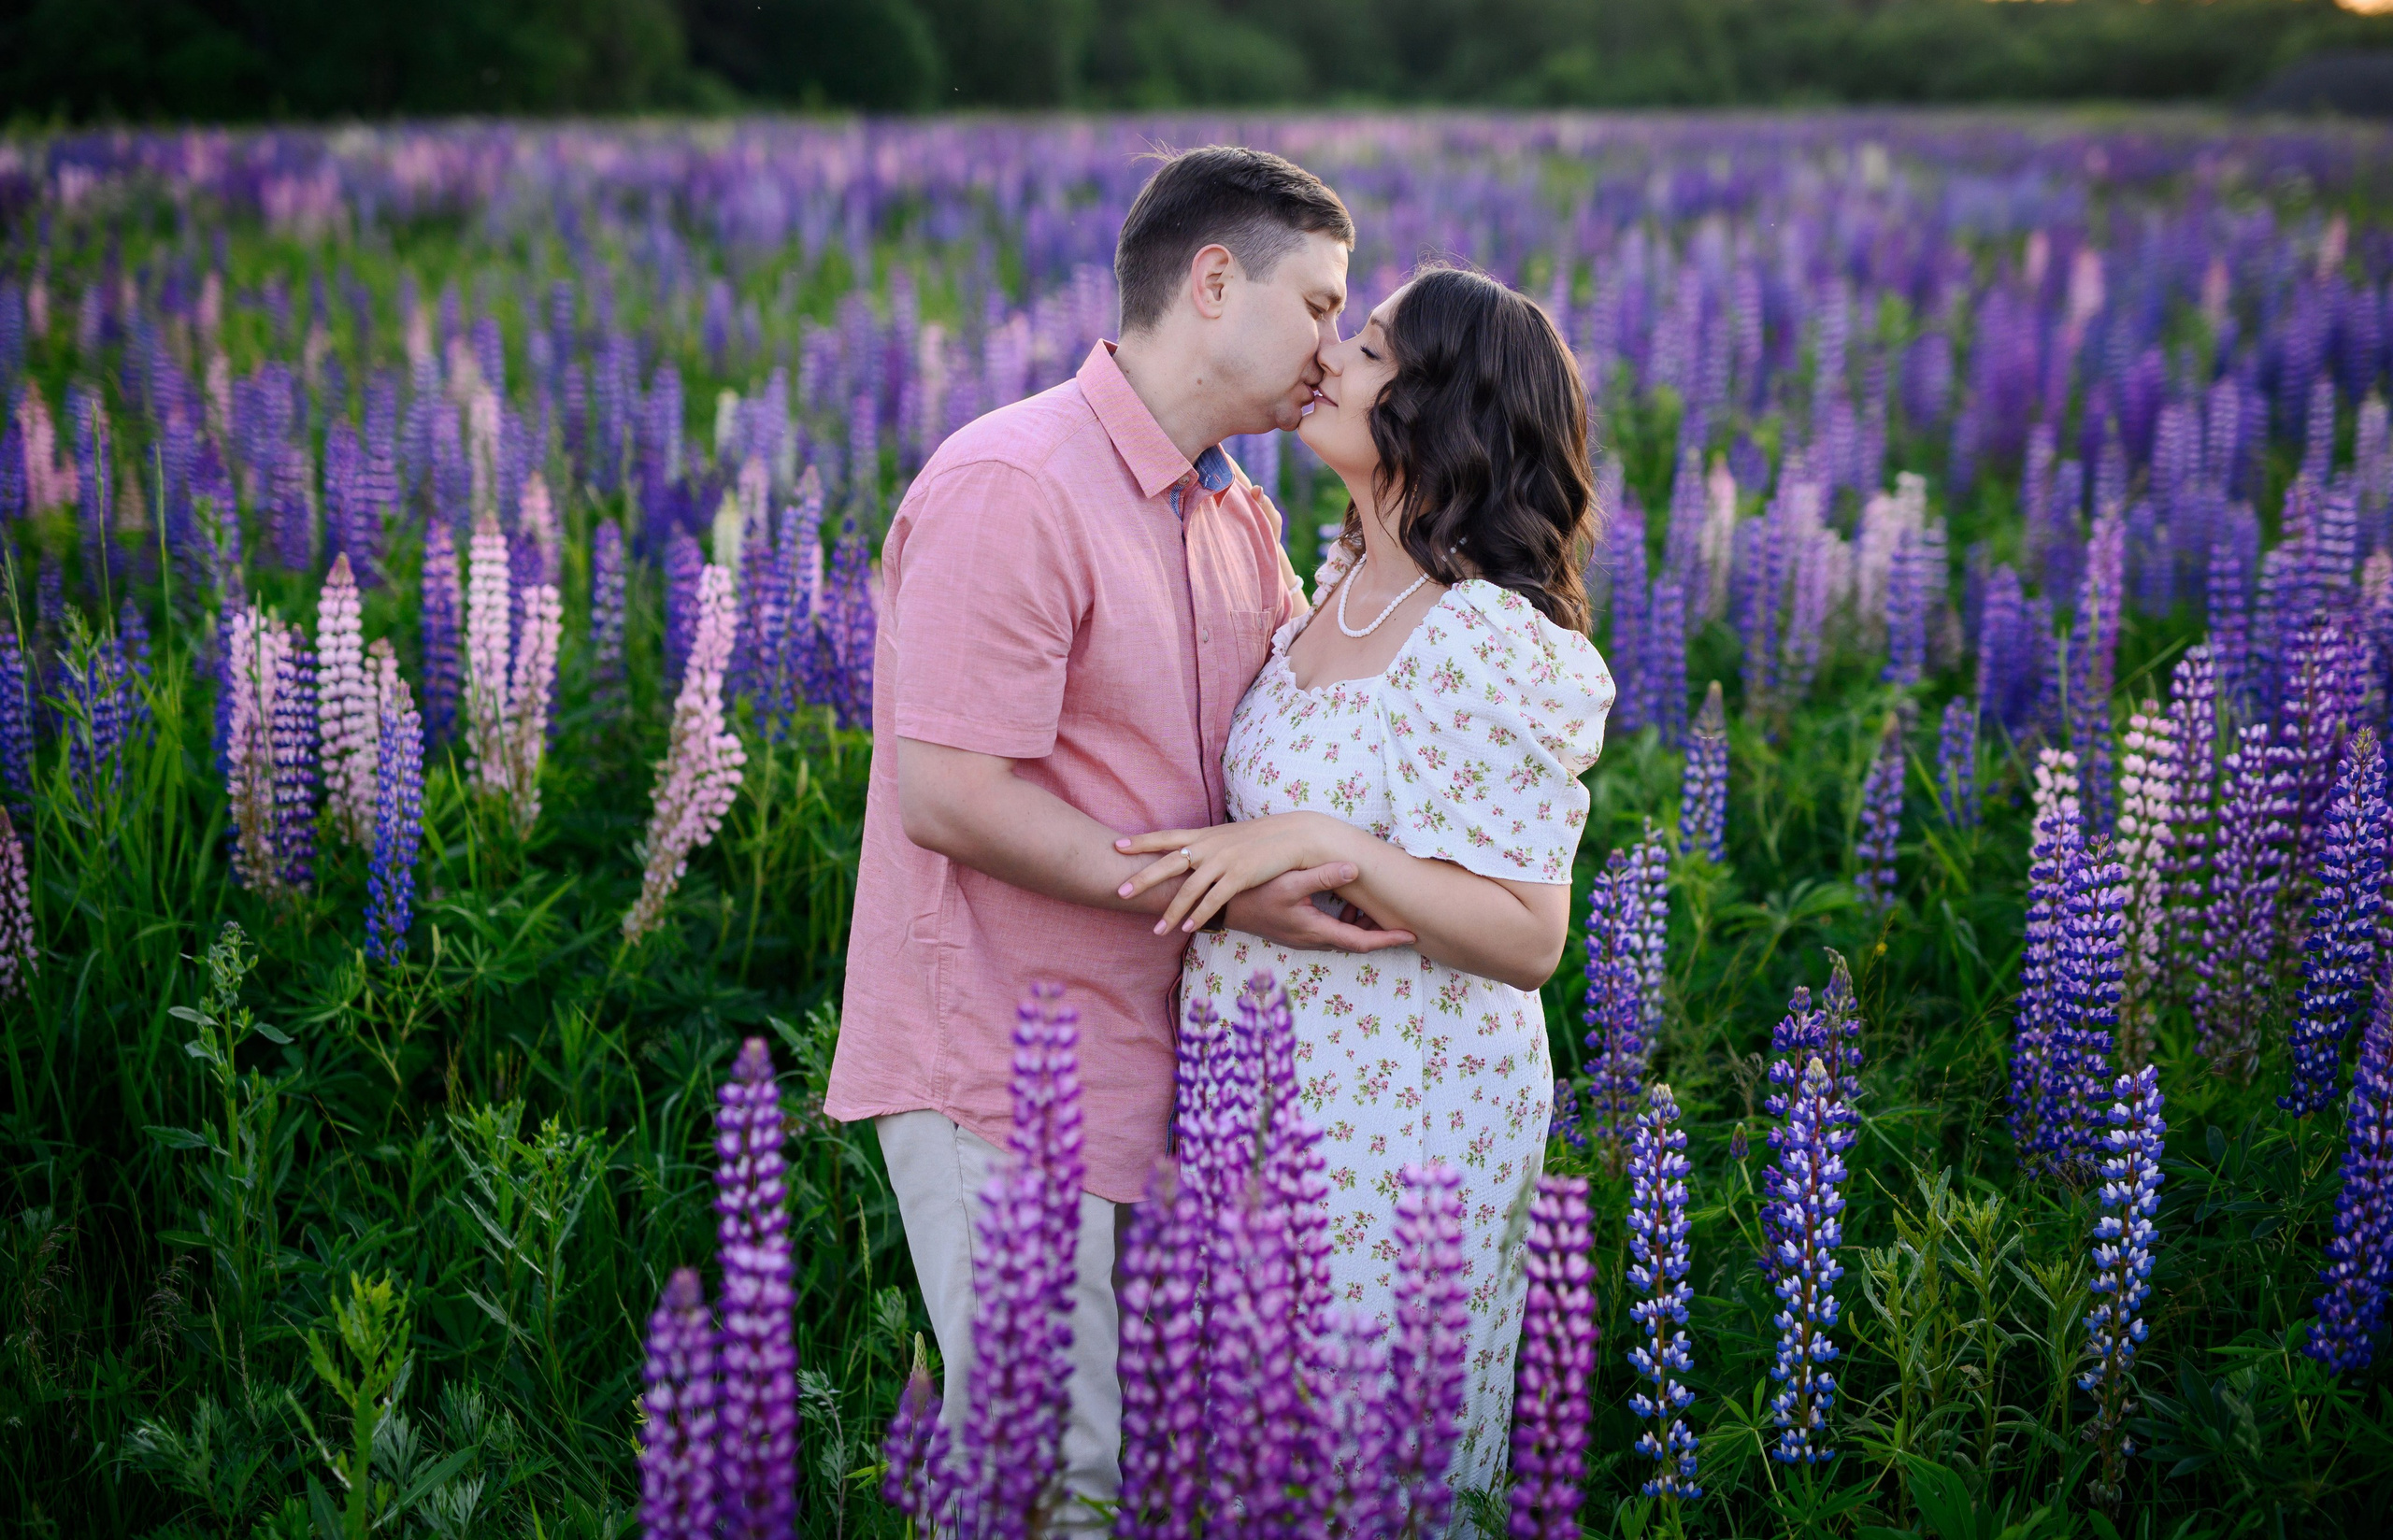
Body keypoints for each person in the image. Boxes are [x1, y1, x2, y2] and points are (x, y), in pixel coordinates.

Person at [824, 146, 1413, 1529]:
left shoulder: (1239, 512)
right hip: (997, 1055)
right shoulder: (1013, 482)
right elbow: (954, 795)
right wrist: (1216, 899)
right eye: (1322, 304)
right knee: (1052, 1475)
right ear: (1215, 281)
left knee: (1140, 1471)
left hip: (1164, 1062)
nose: (1335, 347)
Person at [1116, 264, 1615, 1490]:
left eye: (1374, 349)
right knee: (1239, 1453)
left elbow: (1526, 935)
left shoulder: (1490, 633)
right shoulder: (1331, 592)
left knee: (1364, 1464)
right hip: (1265, 1103)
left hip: (1407, 1121)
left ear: (1441, 410)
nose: (1331, 354)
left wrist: (1308, 849)